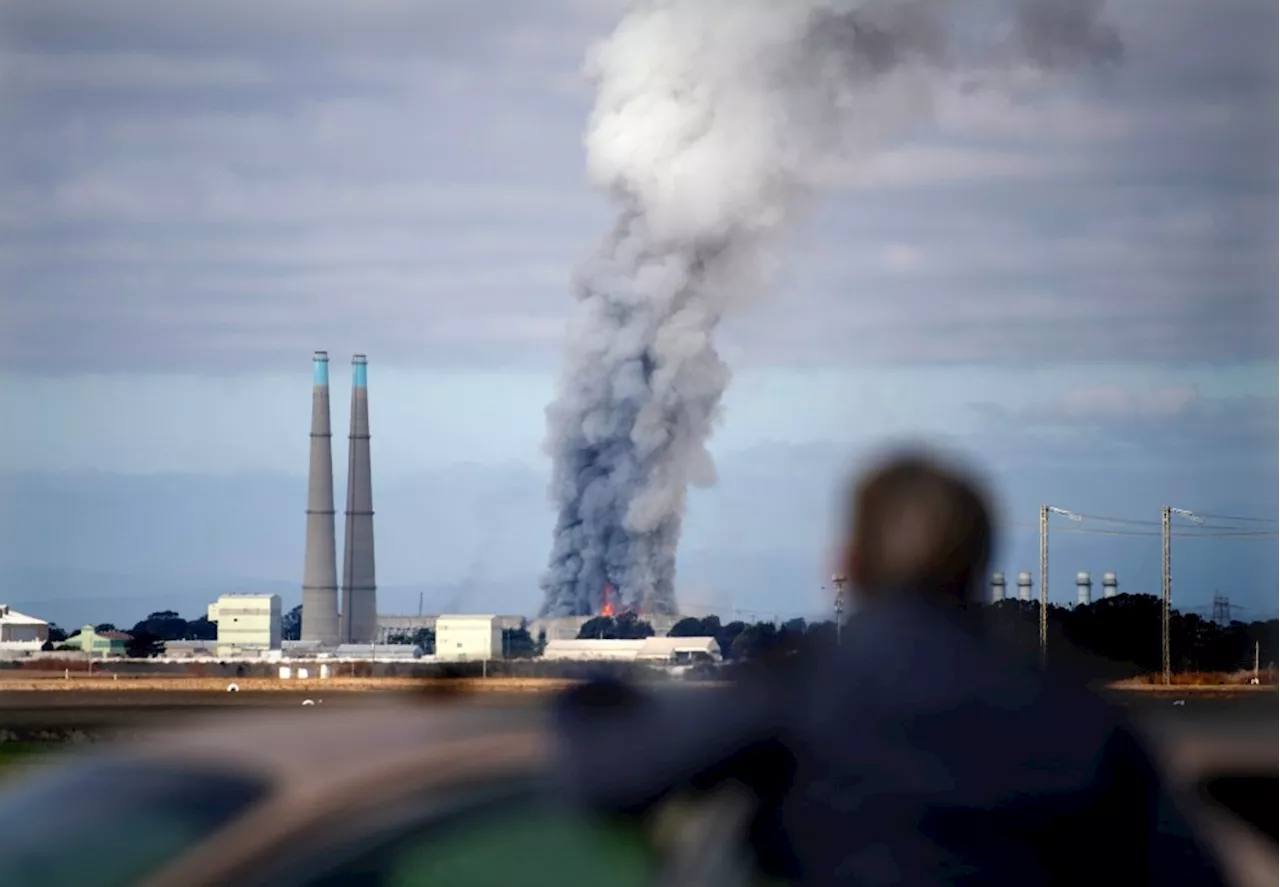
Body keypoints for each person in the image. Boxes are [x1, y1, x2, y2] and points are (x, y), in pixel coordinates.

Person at [550, 446, 1227, 885]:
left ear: (845, 564)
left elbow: (613, 775)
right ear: (978, 563)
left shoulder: (804, 686)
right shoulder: (1080, 716)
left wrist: (594, 690)